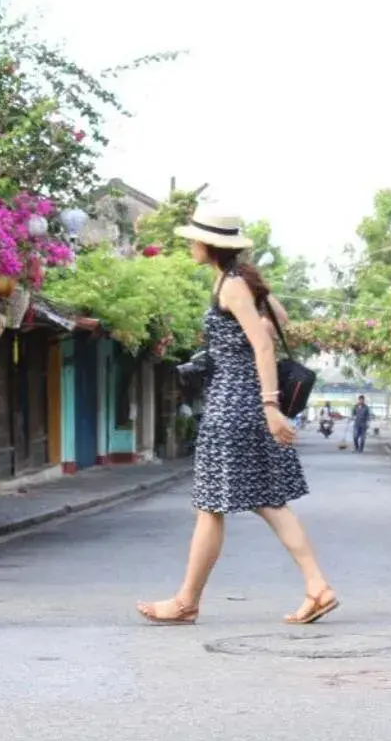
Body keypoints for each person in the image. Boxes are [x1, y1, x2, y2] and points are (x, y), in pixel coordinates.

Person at [138, 210, 338, 627]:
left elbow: (263, 344)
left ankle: (186, 602)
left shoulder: (231, 286)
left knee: (212, 506)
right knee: (266, 502)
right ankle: (317, 586)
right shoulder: (236, 281)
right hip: (240, 404)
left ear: (209, 245)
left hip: (233, 406)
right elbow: (279, 319)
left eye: (194, 239)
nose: (190, 245)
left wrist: (271, 406)